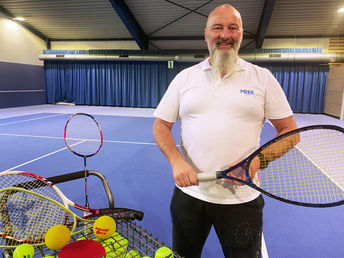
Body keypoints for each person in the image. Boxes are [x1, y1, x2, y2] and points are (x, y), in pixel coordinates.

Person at [153, 3, 297, 258]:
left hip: (241, 200)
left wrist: (257, 161)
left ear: (242, 34)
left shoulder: (262, 78)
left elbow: (290, 132)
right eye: (217, 28)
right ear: (206, 34)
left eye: (233, 28)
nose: (225, 35)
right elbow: (161, 125)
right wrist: (176, 161)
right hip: (189, 197)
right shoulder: (185, 78)